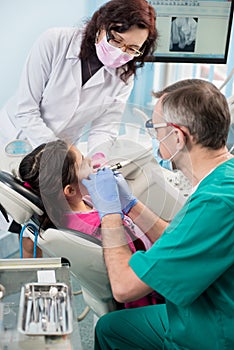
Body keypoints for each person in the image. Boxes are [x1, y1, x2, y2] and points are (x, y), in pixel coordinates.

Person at [82, 79, 234, 349]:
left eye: (155, 128)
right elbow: (183, 241)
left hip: (212, 331)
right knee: (111, 328)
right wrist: (131, 206)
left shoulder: (215, 204)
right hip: (201, 309)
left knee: (113, 322)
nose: (154, 136)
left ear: (178, 136)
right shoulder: (221, 179)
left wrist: (110, 214)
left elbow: (124, 286)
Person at [0, 0, 157, 155]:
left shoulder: (124, 75)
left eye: (132, 49)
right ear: (101, 26)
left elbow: (104, 128)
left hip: (61, 151)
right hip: (15, 138)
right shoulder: (55, 41)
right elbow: (26, 110)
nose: (121, 51)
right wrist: (62, 154)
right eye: (116, 40)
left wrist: (98, 159)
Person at [18, 139, 163, 307]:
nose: (90, 161)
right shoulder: (100, 226)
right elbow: (134, 271)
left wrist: (128, 204)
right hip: (153, 283)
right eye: (83, 162)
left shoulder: (70, 211)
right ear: (70, 190)